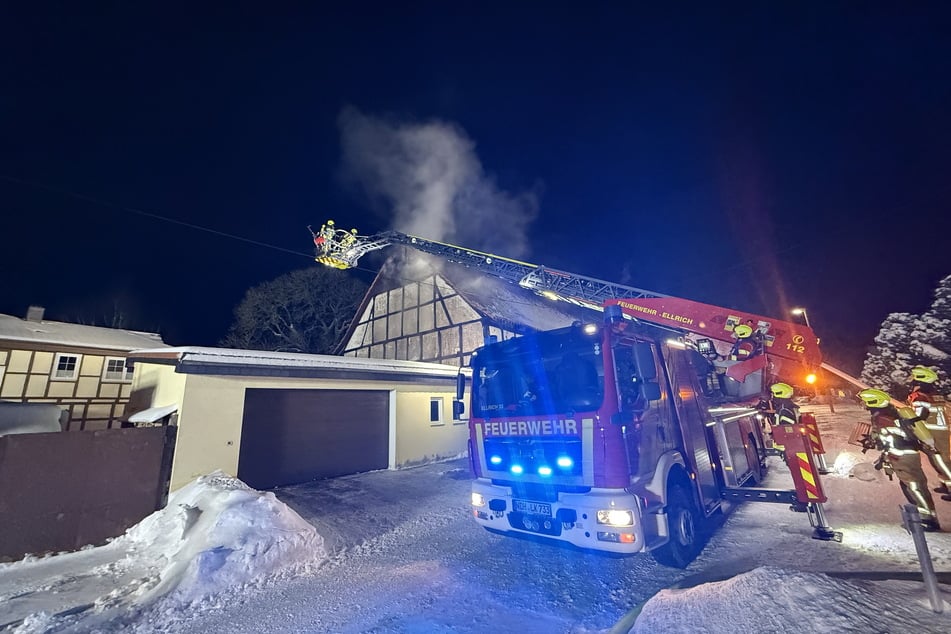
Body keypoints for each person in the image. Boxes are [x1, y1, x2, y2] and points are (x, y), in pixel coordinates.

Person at [858, 388, 941, 531]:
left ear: (873, 403)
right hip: (909, 455)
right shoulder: (892, 413)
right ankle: (925, 515)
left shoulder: (882, 418)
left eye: (866, 403)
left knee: (914, 487)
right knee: (915, 486)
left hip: (901, 457)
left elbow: (888, 436)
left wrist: (875, 441)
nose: (865, 406)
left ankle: (926, 519)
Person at [906, 366, 951, 498]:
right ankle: (945, 484)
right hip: (939, 431)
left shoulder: (921, 396)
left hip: (934, 431)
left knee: (940, 460)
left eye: (914, 380)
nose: (913, 383)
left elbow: (921, 414)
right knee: (939, 460)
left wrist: (908, 420)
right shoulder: (934, 393)